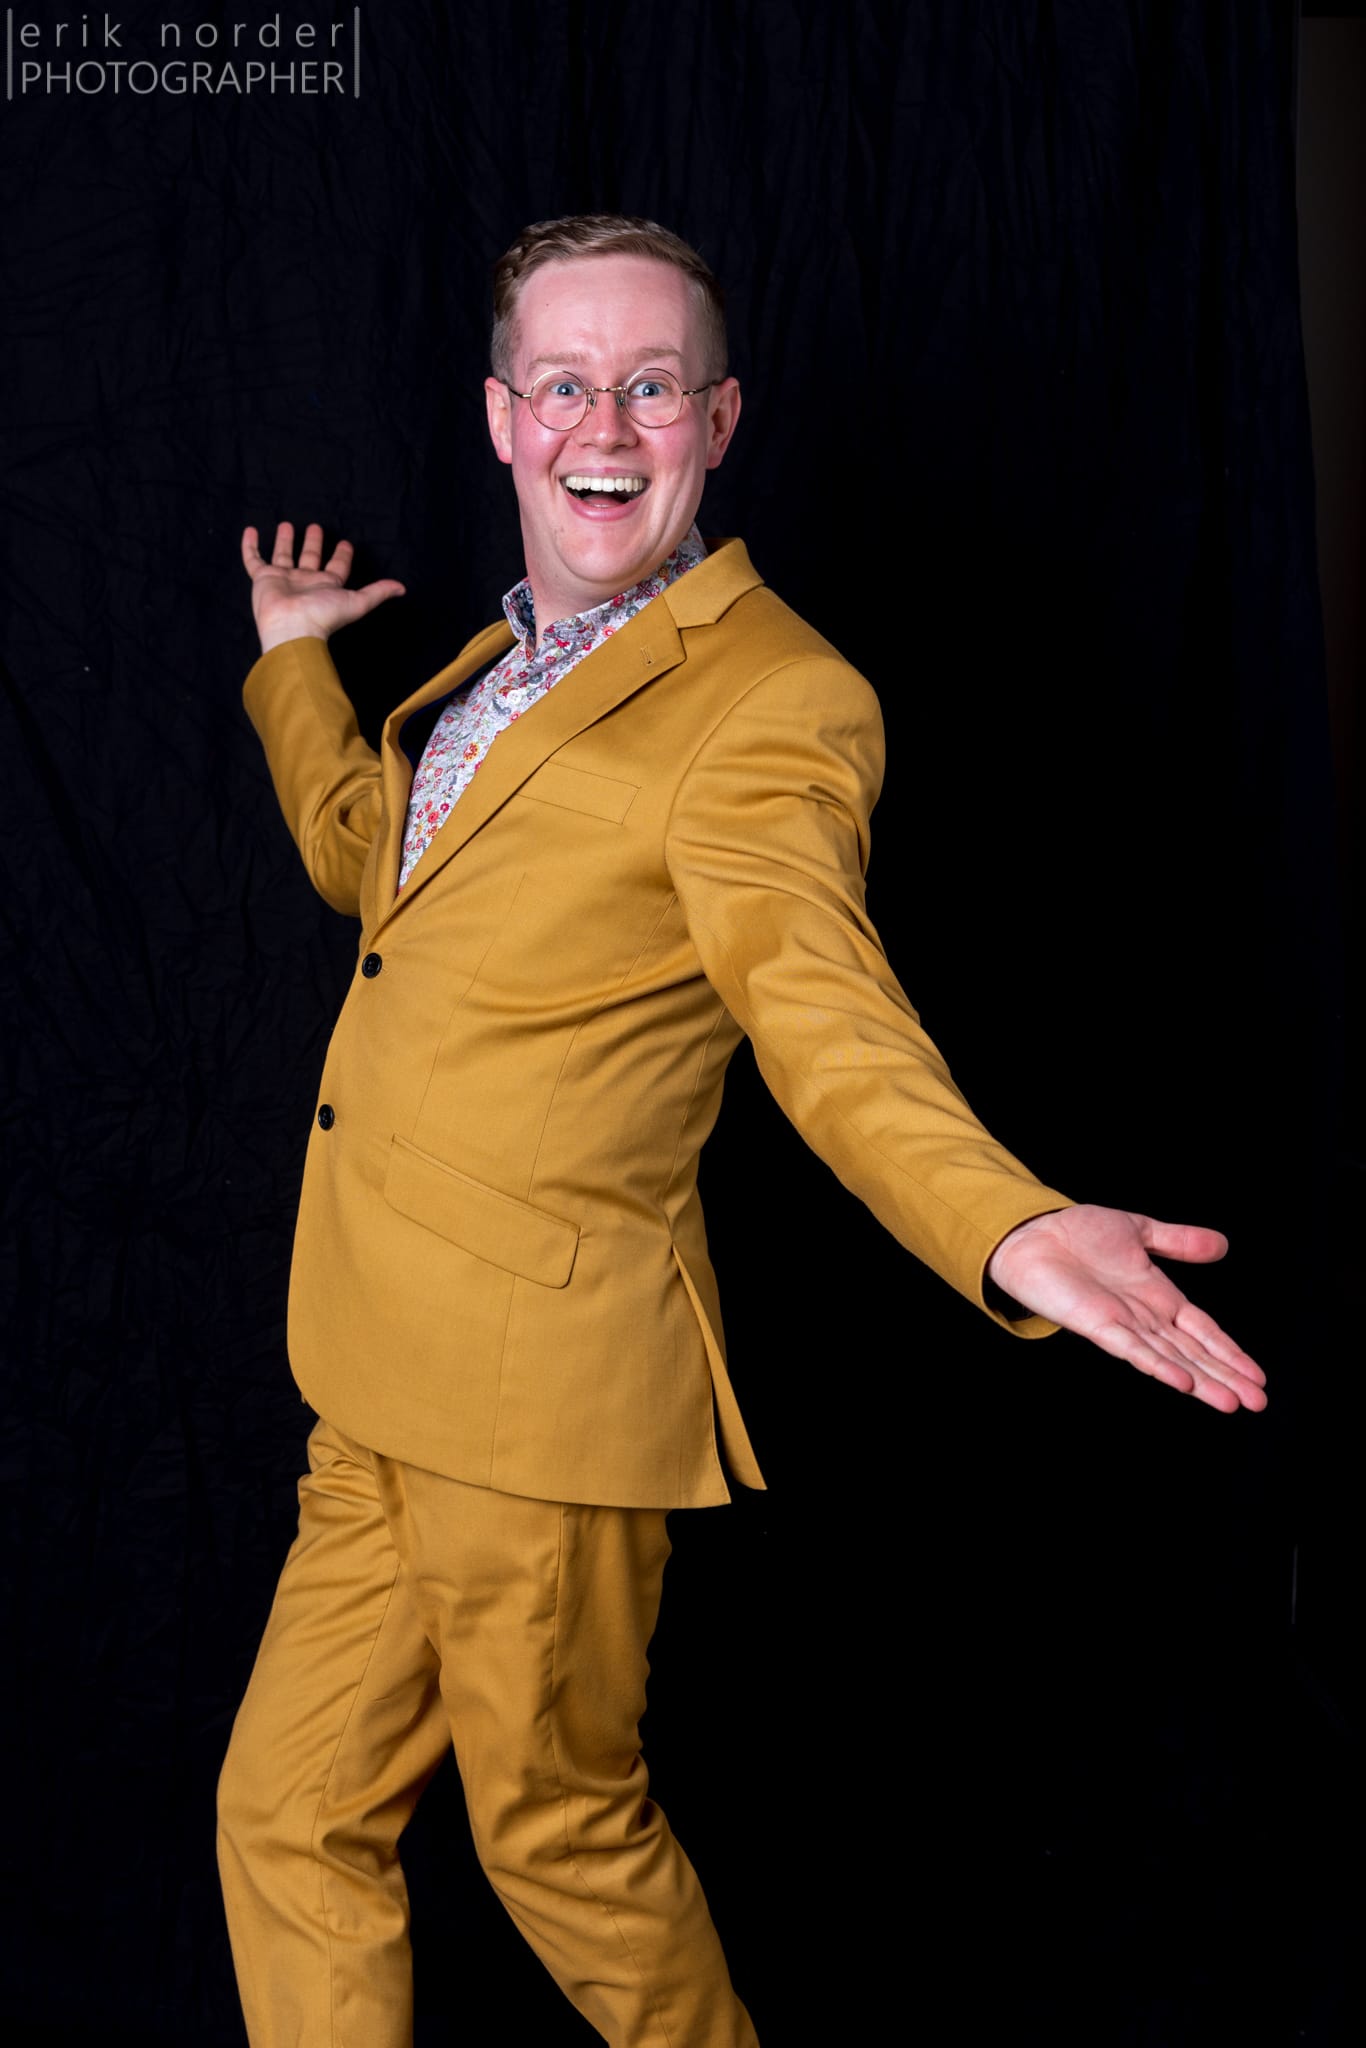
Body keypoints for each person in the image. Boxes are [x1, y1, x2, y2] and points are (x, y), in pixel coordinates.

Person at [217, 214, 1266, 2048]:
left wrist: (1004, 1224)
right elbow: (372, 871)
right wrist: (293, 659)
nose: (600, 424)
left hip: (537, 1404)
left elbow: (821, 1016)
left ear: (714, 420)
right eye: (563, 384)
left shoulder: (776, 701)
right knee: (288, 1821)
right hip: (372, 1366)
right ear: (500, 416)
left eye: (648, 386)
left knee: (558, 1843)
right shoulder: (492, 670)